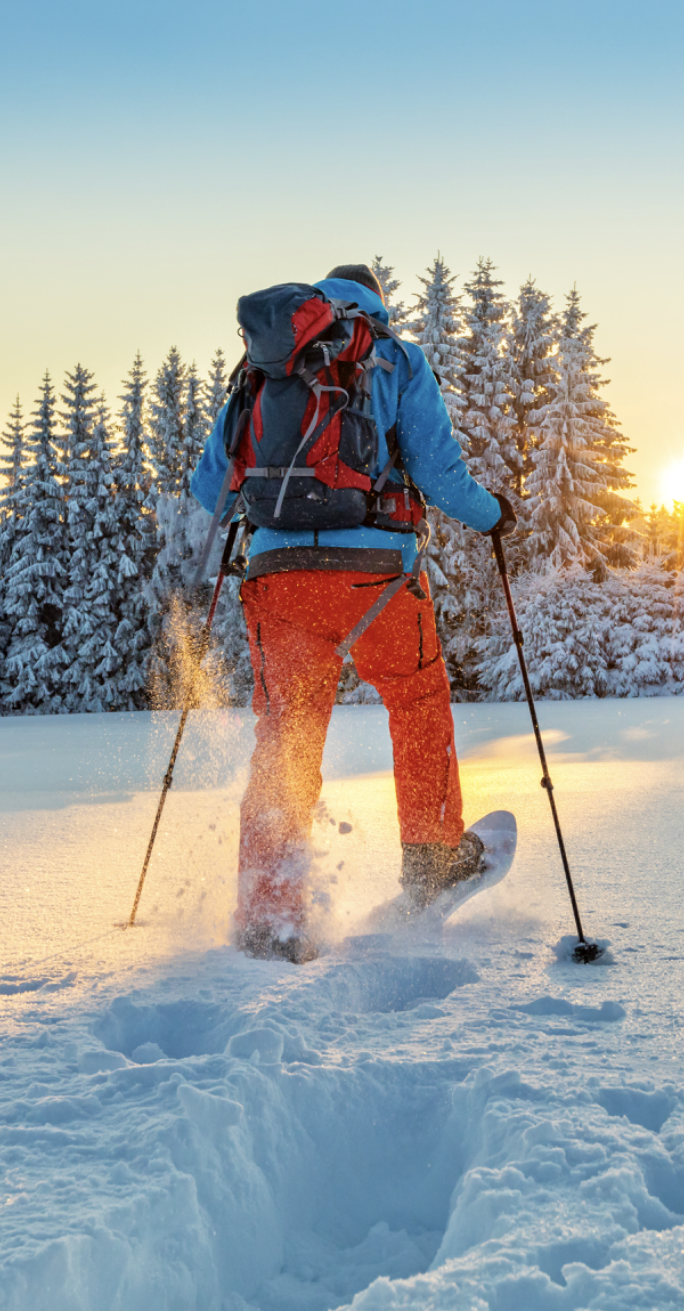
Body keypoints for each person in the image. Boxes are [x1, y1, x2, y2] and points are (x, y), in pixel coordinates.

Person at [190, 263, 513, 963]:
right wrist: (493, 517)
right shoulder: (393, 357)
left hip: (277, 581)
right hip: (377, 579)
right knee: (417, 699)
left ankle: (269, 914)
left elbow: (209, 485)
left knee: (286, 736)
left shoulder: (263, 367)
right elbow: (438, 473)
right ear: (376, 303)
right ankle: (430, 860)